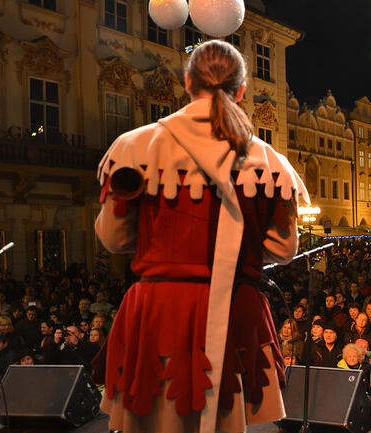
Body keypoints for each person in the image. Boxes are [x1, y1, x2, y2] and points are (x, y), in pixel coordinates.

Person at [94, 40, 308, 433]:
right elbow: (283, 248)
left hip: (159, 313)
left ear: (187, 81)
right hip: (235, 311)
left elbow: (112, 240)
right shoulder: (270, 162)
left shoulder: (132, 147)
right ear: (241, 91)